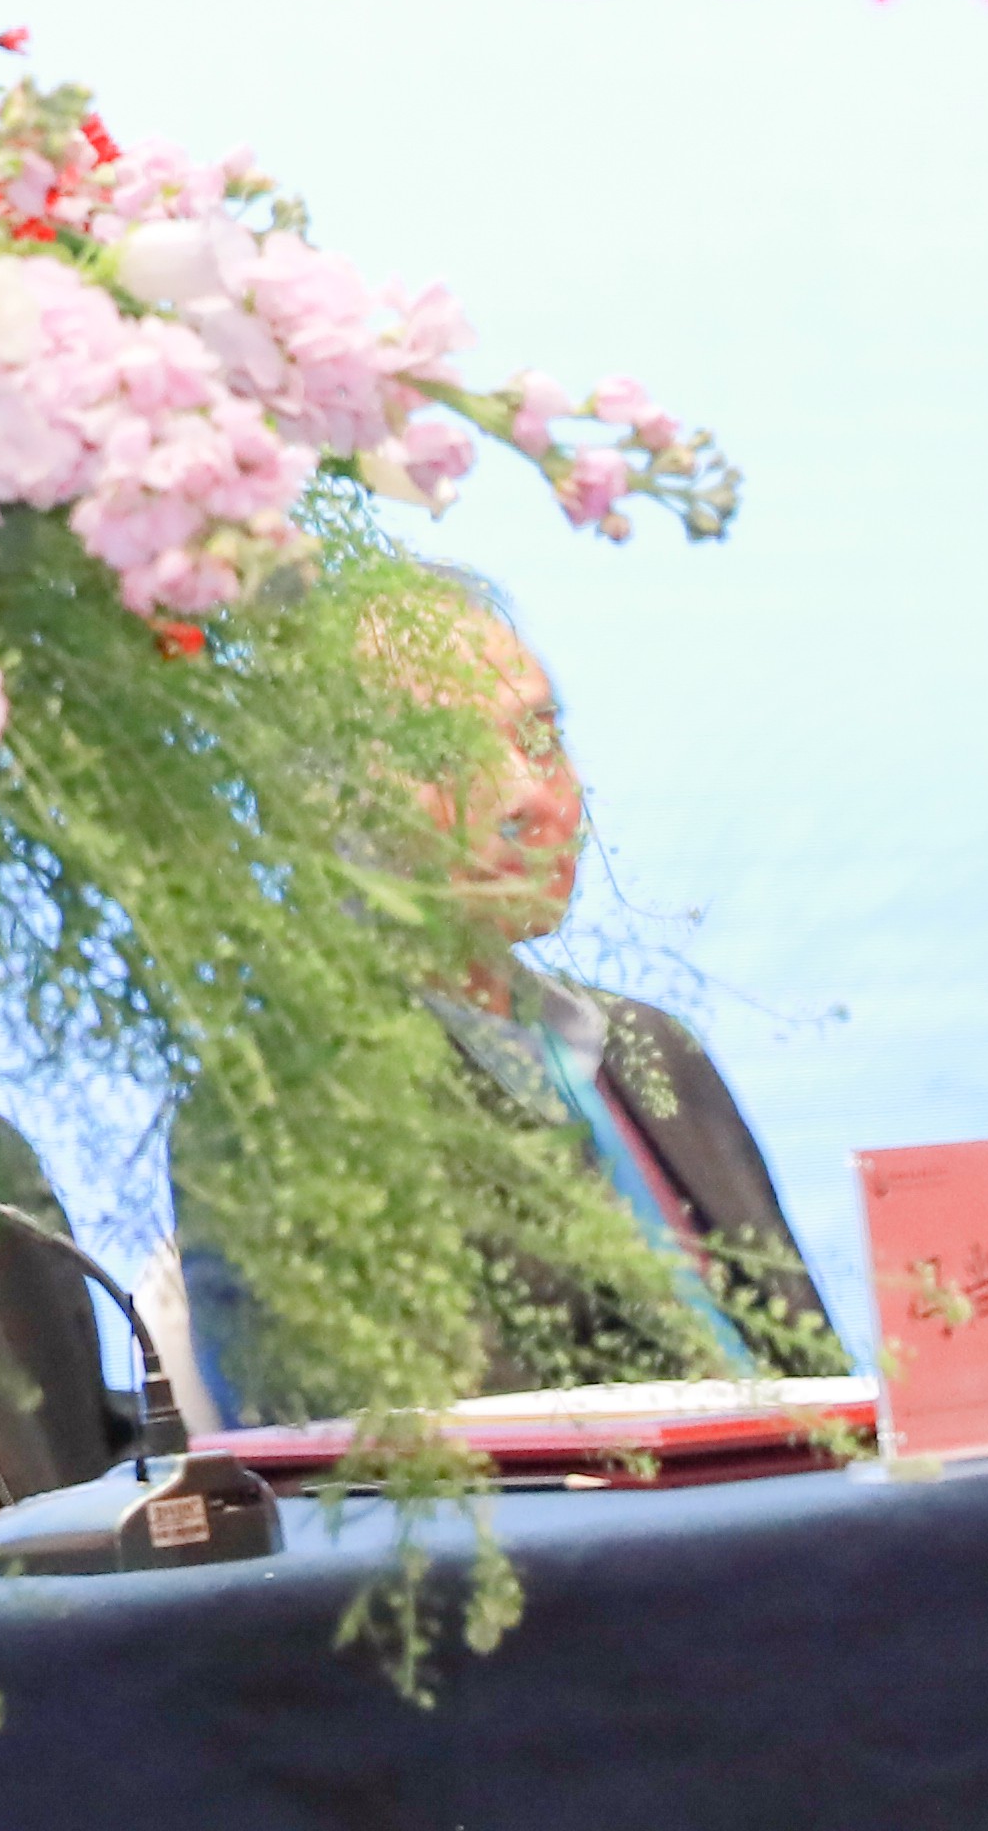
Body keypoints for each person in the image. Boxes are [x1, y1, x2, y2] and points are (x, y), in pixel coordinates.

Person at [180, 571, 824, 1409]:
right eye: (444, 758)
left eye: (541, 740)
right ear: (312, 803)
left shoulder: (653, 1048)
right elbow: (431, 1459)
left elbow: (828, 1387)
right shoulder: (287, 1110)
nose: (526, 795)